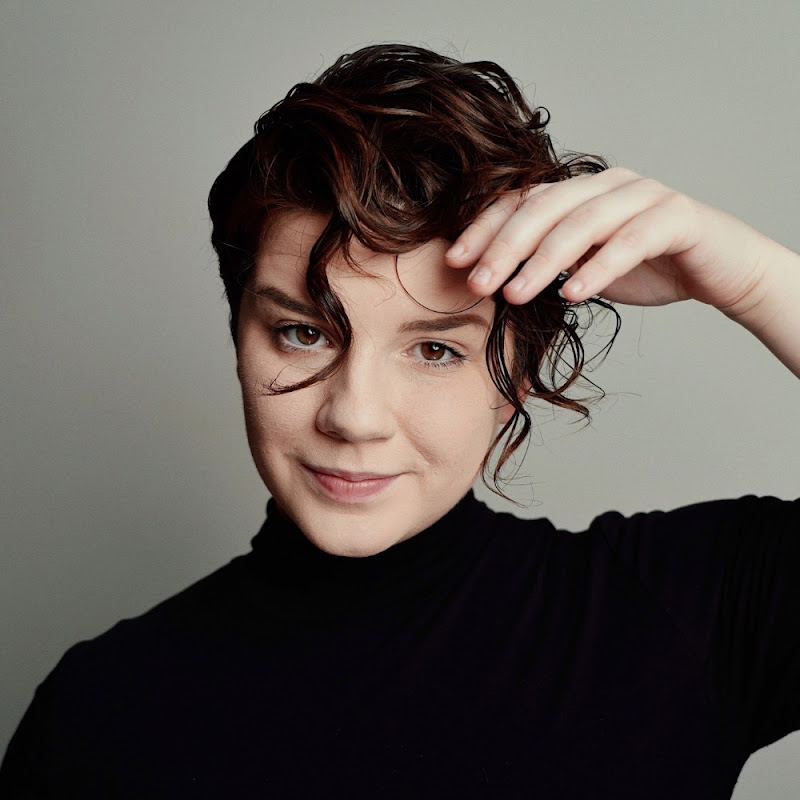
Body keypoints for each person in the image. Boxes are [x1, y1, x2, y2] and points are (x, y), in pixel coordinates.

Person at [1, 43, 798, 799]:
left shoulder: (682, 619)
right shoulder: (97, 717)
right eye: (302, 332)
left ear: (518, 376)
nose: (354, 416)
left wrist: (752, 278)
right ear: (240, 335)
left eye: (436, 351)